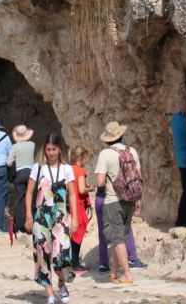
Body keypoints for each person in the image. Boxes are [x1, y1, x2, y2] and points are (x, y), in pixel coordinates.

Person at [24, 133, 77, 304]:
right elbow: (29, 193)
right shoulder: (38, 168)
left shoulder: (67, 169)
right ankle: (50, 294)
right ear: (44, 150)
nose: (51, 152)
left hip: (61, 217)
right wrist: (29, 216)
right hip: (41, 217)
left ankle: (61, 284)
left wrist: (75, 218)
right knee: (42, 254)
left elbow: (72, 195)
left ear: (60, 149)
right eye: (48, 149)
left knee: (62, 254)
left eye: (54, 149)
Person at [95, 121, 141, 285]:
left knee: (116, 239)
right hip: (130, 200)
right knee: (119, 238)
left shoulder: (105, 154)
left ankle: (127, 274)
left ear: (107, 139)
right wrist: (138, 200)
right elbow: (138, 177)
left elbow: (100, 182)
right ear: (121, 135)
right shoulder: (132, 151)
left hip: (113, 201)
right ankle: (114, 272)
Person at [68, 146, 93, 271]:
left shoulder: (69, 169)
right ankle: (75, 263)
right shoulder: (79, 170)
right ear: (81, 157)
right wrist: (90, 188)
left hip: (70, 204)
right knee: (78, 233)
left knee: (73, 234)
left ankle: (72, 260)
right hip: (78, 204)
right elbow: (82, 189)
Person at [7, 124, 35, 234]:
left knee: (19, 199)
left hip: (19, 174)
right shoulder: (32, 144)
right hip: (31, 174)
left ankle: (20, 225)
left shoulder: (15, 147)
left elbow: (9, 162)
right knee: (31, 197)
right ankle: (32, 222)